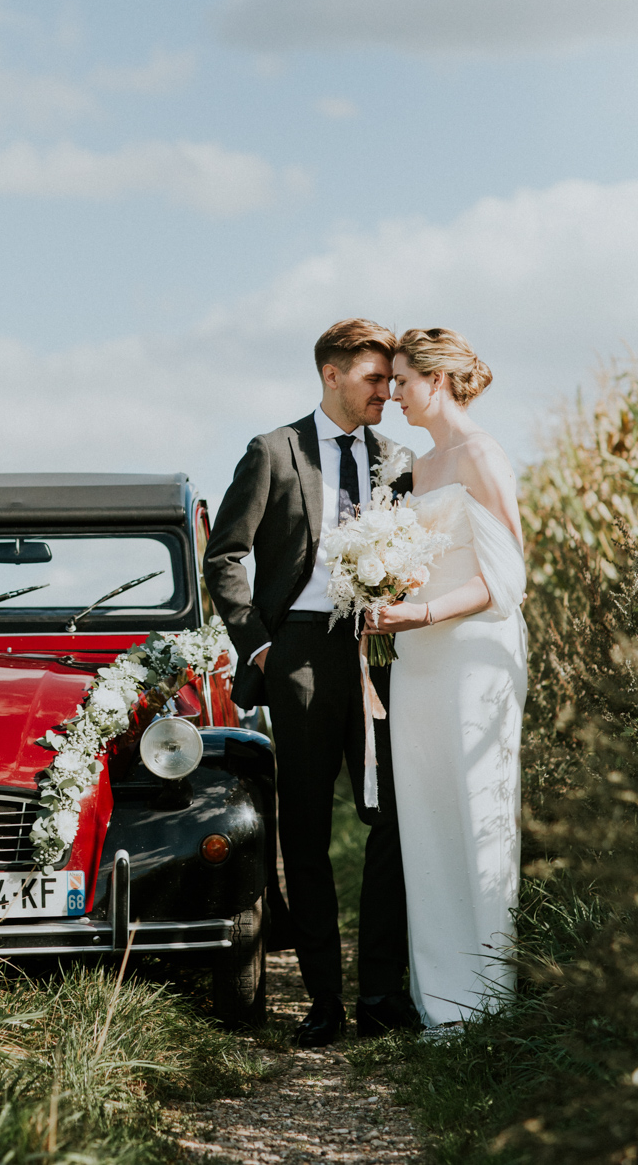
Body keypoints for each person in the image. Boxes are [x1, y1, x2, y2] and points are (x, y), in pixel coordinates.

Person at [203, 318, 419, 1047]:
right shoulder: (273, 452)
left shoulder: (399, 458)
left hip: (384, 653)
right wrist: (259, 648)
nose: (386, 393)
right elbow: (224, 557)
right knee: (306, 829)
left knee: (393, 819)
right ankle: (325, 1001)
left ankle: (381, 994)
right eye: (373, 380)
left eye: (390, 381)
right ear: (332, 375)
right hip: (296, 656)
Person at [363, 327, 527, 1036]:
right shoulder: (421, 469)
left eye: (401, 381)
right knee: (425, 820)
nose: (392, 394)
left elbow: (508, 580)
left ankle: (489, 997)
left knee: (473, 808)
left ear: (438, 381)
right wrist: (386, 595)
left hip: (472, 656)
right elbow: (424, 559)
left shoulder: (482, 454)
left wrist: (423, 611)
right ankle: (443, 1002)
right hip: (418, 662)